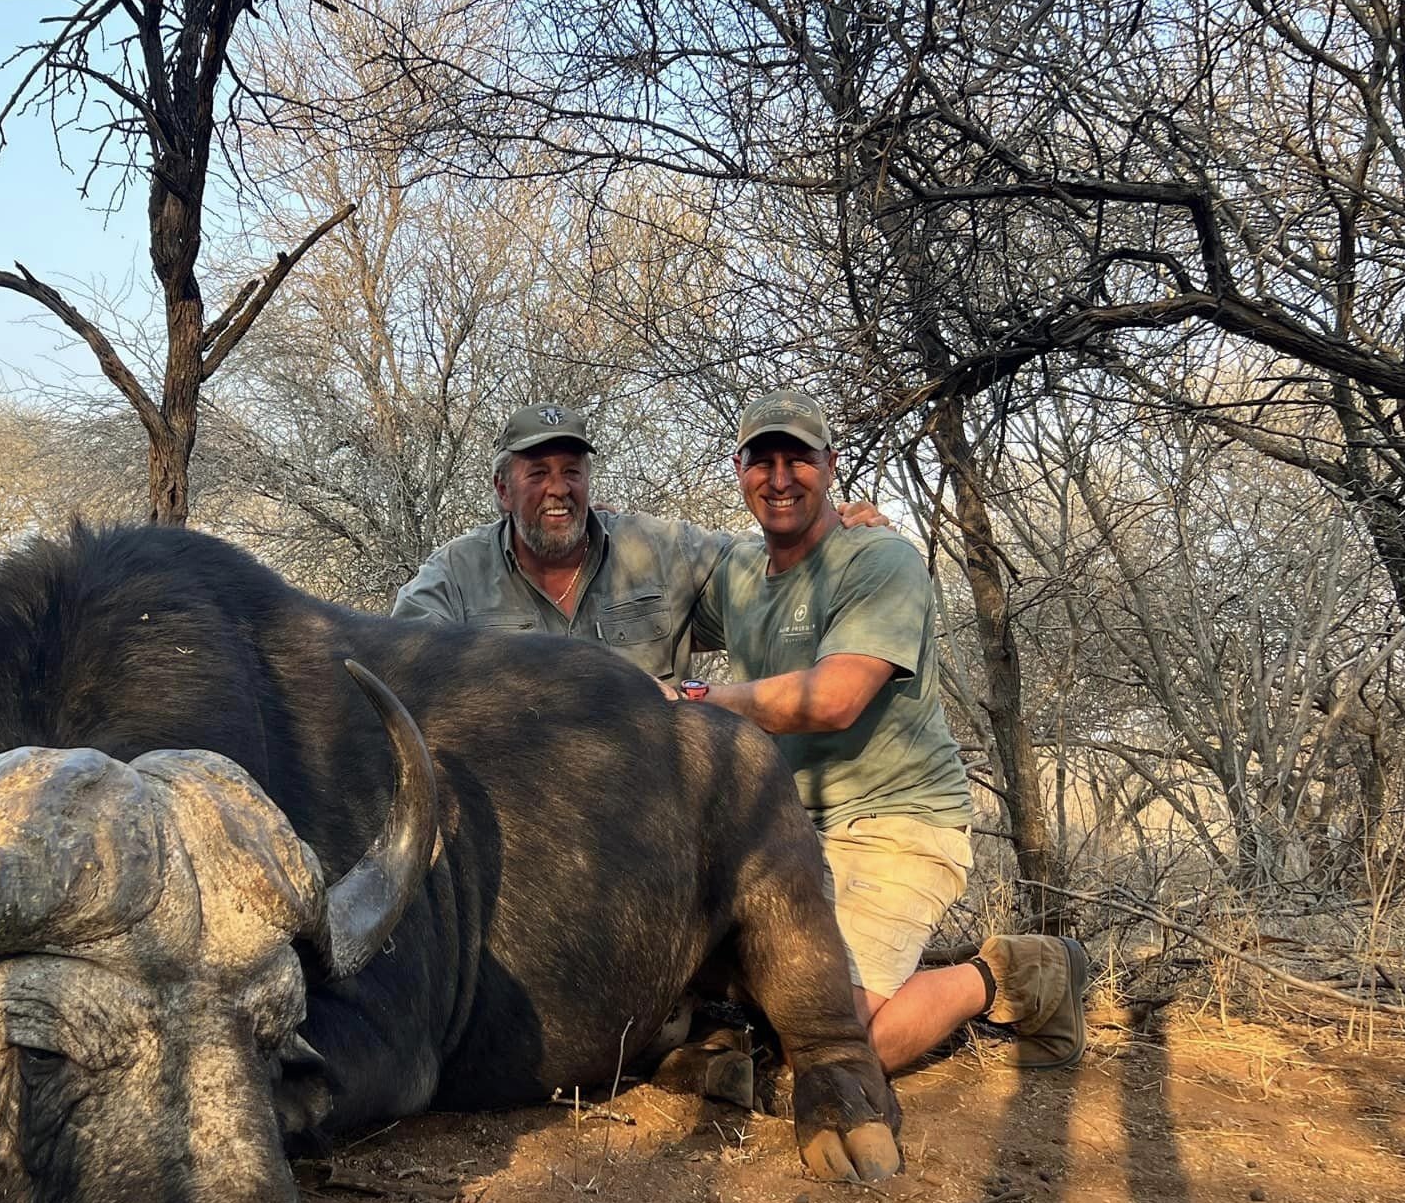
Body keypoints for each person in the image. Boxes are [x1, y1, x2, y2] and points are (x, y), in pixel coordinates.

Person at [684, 387, 1087, 1072]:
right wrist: (603, 532)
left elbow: (836, 698)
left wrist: (695, 697)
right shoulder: (738, 572)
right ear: (739, 469)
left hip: (897, 824)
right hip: (786, 830)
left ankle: (1012, 972)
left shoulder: (881, 561)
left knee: (833, 1046)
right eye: (763, 461)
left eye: (799, 460)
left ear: (831, 465)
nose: (780, 479)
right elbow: (645, 590)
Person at [392, 401, 881, 684]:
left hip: (651, 806)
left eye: (571, 473)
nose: (558, 489)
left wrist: (832, 532)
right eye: (538, 474)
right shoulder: (456, 573)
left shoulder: (660, 549)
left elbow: (773, 566)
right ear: (503, 490)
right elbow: (398, 662)